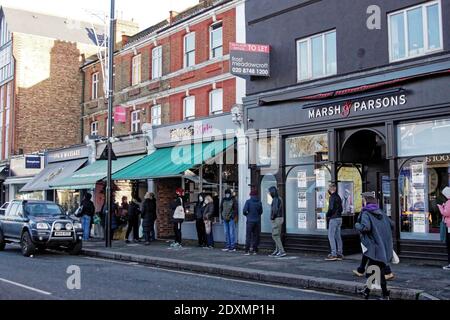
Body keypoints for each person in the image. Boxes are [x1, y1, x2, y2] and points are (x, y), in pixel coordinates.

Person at [356, 192, 394, 300]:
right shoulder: (381, 212)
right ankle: (381, 293)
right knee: (377, 271)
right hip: (383, 247)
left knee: (372, 269)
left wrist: (357, 225)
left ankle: (375, 293)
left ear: (366, 202)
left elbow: (366, 227)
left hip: (375, 248)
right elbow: (392, 224)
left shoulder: (366, 213)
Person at [325, 184, 344, 261]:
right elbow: (341, 209)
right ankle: (339, 253)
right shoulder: (338, 196)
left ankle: (333, 254)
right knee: (338, 236)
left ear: (330, 189)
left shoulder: (332, 197)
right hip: (339, 218)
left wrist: (327, 215)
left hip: (333, 218)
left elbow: (331, 208)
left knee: (331, 236)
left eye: (329, 188)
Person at [243, 189, 263, 255]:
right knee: (256, 236)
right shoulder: (259, 202)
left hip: (250, 221)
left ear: (251, 195)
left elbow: (244, 211)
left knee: (248, 236)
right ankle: (255, 250)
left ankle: (247, 251)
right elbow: (261, 212)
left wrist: (247, 215)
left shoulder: (248, 202)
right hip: (257, 221)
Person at [269, 186, 286, 258]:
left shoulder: (275, 199)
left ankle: (281, 251)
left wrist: (272, 217)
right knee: (277, 235)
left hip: (277, 219)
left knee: (275, 235)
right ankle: (277, 250)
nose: (269, 193)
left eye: (270, 192)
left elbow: (275, 210)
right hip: (280, 218)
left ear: (272, 192)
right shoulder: (279, 198)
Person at [437, 186, 450, 270]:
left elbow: (446, 213)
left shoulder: (449, 202)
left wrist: (440, 207)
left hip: (449, 226)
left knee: (449, 245)